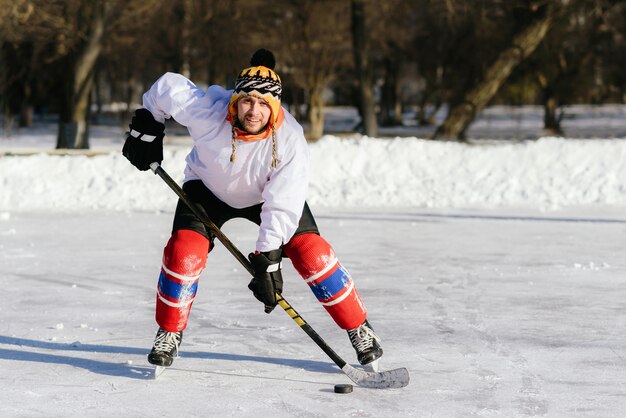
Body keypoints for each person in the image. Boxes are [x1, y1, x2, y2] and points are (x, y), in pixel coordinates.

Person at [122, 49, 383, 369]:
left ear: (275, 107)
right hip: (206, 189)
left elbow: (283, 204)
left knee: (312, 252)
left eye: (263, 103)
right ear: (235, 100)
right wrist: (149, 125)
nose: (253, 110)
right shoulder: (207, 111)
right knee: (184, 252)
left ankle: (358, 328)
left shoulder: (290, 139)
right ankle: (169, 333)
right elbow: (166, 88)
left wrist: (268, 260)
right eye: (246, 101)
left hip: (266, 199)